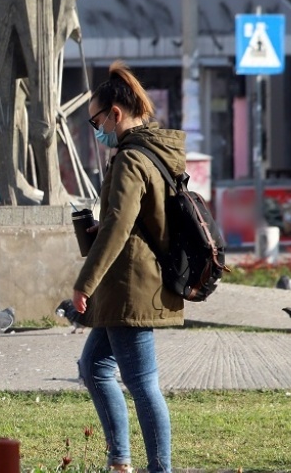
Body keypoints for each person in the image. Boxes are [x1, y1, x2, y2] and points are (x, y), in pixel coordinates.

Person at [72, 61, 185, 473]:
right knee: (95, 367)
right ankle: (119, 460)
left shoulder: (131, 159)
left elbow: (119, 228)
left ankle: (159, 468)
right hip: (131, 281)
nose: (96, 128)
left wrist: (84, 282)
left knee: (142, 384)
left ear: (114, 114)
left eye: (95, 119)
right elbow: (137, 220)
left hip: (131, 285)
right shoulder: (157, 151)